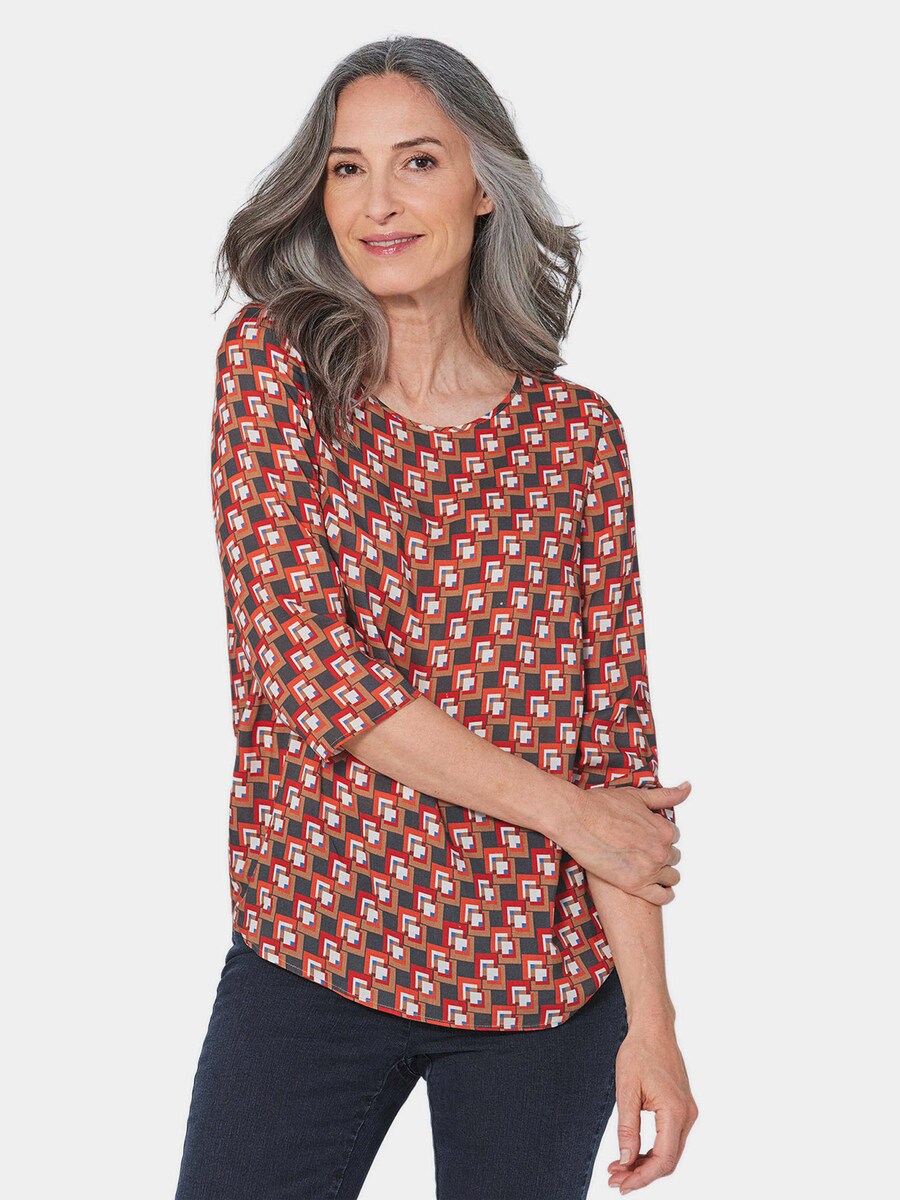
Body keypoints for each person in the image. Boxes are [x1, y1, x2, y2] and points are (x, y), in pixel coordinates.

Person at [175, 34, 698, 1200]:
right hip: (313, 944)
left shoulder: (575, 437)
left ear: (482, 188)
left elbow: (617, 753)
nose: (378, 202)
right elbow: (308, 668)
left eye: (416, 161)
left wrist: (653, 1024)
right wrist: (570, 813)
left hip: (540, 983)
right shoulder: (275, 368)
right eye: (347, 168)